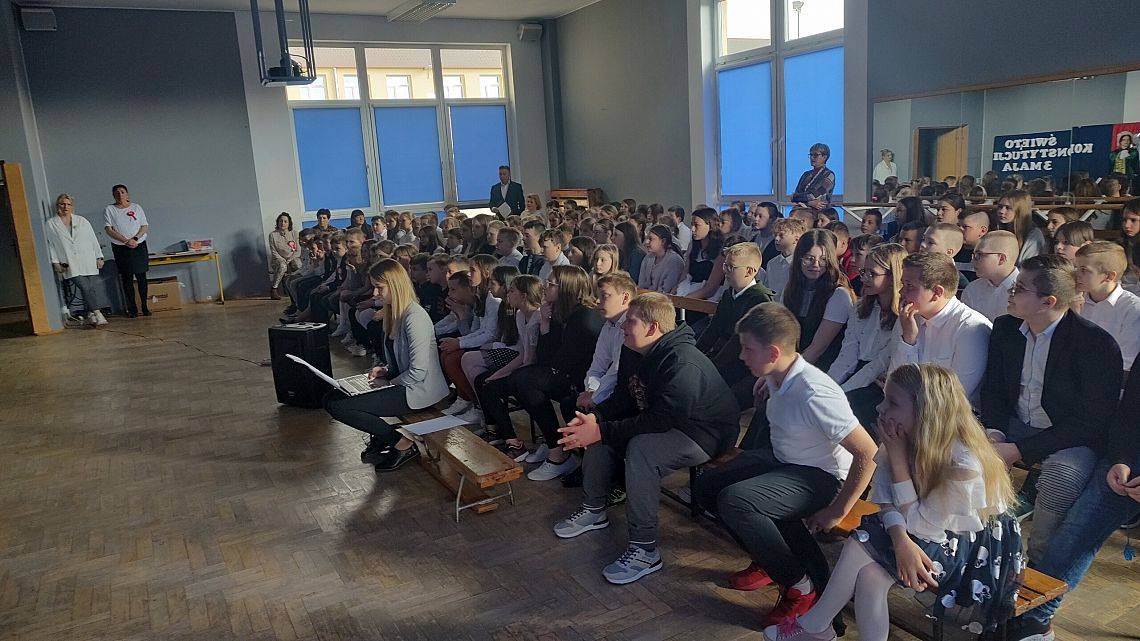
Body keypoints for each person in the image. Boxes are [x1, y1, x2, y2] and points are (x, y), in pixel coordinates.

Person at [765, 363, 1021, 641]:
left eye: (892, 402)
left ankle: (816, 626)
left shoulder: (962, 463)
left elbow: (923, 526)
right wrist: (900, 540)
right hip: (919, 525)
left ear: (925, 411)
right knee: (871, 575)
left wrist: (898, 459)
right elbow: (885, 500)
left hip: (970, 544)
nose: (880, 407)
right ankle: (817, 627)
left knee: (862, 541)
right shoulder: (899, 435)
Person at [694, 302, 877, 628]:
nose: (741, 356)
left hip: (822, 477)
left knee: (737, 500)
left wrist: (837, 511)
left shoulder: (815, 392)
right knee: (707, 486)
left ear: (774, 352)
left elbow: (868, 453)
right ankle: (769, 560)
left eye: (748, 349)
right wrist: (766, 380)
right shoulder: (776, 374)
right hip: (787, 462)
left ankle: (799, 585)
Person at [553, 293, 739, 584]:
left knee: (642, 450)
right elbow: (625, 397)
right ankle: (594, 509)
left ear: (652, 328)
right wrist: (597, 419)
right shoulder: (633, 347)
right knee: (602, 428)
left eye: (631, 321)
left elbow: (662, 420)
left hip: (705, 432)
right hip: (669, 418)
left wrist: (601, 430)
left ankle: (645, 549)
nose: (623, 326)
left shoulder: (682, 362)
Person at [980, 255, 1122, 558]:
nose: (1010, 293)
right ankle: (979, 544)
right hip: (1015, 424)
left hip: (1067, 436)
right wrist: (994, 434)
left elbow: (1090, 423)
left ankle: (1039, 558)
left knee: (1062, 476)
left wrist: (1018, 449)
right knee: (960, 452)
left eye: (1020, 288)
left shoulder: (1095, 344)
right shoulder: (1005, 328)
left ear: (1048, 302)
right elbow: (993, 390)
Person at [1000, 369, 1140, 641]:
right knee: (1079, 525)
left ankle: (1029, 617)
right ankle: (1033, 620)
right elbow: (1129, 415)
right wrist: (1121, 459)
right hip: (1130, 465)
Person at [324, 259, 449, 471]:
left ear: (395, 285)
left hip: (417, 391)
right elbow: (398, 359)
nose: (375, 293)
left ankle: (401, 443)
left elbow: (418, 372)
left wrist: (389, 383)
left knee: (340, 406)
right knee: (331, 397)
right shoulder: (394, 312)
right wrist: (385, 370)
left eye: (379, 287)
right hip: (404, 384)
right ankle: (385, 437)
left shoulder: (415, 317)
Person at [488, 266, 603, 481]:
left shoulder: (583, 317)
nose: (545, 288)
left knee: (526, 380)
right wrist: (545, 324)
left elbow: (560, 362)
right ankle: (553, 446)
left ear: (566, 288)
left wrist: (546, 326)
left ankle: (557, 453)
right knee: (520, 380)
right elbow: (547, 358)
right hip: (567, 376)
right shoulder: (559, 312)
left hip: (584, 383)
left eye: (551, 284)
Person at [891, 252, 991, 400]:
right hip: (906, 407)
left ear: (937, 292)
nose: (901, 292)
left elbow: (955, 397)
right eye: (902, 285)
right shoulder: (909, 318)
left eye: (909, 286)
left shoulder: (971, 330)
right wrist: (909, 340)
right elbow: (894, 382)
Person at [828, 243, 907, 429]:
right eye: (864, 272)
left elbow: (880, 363)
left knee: (848, 409)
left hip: (879, 383)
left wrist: (842, 394)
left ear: (893, 277)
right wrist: (828, 387)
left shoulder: (903, 316)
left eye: (873, 274)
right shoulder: (861, 307)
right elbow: (847, 354)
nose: (864, 278)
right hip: (855, 370)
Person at [696, 242, 776, 399]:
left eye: (731, 267)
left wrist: (711, 366)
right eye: (725, 265)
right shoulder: (728, 294)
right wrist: (696, 354)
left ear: (749, 271)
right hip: (721, 356)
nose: (725, 271)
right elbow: (714, 329)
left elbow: (737, 343)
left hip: (743, 363)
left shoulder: (760, 300)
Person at [783, 229, 856, 371]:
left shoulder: (839, 295)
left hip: (822, 369)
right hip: (795, 361)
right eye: (809, 258)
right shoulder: (792, 289)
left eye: (823, 259)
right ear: (799, 258)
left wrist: (784, 373)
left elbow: (817, 349)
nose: (816, 264)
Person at [1074, 241, 1140, 372]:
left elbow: (1127, 361)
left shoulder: (1132, 309)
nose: (1076, 275)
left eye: (1084, 270)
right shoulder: (1076, 301)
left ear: (1109, 276)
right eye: (1075, 268)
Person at [47, 193, 108, 326]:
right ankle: (98, 313)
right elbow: (51, 245)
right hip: (69, 262)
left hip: (87, 258)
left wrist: (99, 257)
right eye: (62, 204)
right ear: (58, 206)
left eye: (68, 204)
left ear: (72, 206)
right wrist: (56, 262)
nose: (65, 207)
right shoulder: (51, 224)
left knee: (90, 288)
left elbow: (93, 239)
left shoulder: (82, 221)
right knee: (85, 287)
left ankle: (90, 314)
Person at [103, 184, 151, 317]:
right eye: (117, 193)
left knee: (141, 277)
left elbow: (144, 226)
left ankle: (145, 307)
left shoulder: (137, 207)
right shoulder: (109, 209)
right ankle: (132, 308)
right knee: (127, 278)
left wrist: (135, 238)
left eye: (122, 192)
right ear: (113, 195)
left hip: (138, 245)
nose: (120, 194)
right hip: (121, 248)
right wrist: (125, 241)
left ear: (127, 194)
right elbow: (109, 229)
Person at [961, 231, 1020, 322]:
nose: (973, 260)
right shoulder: (972, 289)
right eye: (974, 255)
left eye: (979, 255)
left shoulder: (1026, 292)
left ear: (1001, 259)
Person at [678, 207, 727, 299]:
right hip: (688, 290)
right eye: (692, 225)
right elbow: (684, 275)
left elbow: (710, 289)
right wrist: (673, 294)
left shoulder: (721, 251)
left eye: (697, 225)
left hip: (709, 297)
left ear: (710, 226)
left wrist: (686, 300)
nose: (692, 229)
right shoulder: (692, 245)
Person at [995, 190, 1047, 265]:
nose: (1001, 211)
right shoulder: (997, 229)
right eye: (1000, 207)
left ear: (1020, 210)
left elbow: (1028, 267)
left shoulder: (1034, 236)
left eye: (1008, 208)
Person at [763, 217, 809, 300]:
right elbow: (767, 289)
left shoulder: (804, 264)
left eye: (781, 235)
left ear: (796, 239)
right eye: (775, 235)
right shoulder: (771, 263)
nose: (776, 239)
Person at [919, 223, 969, 294]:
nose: (922, 245)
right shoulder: (913, 269)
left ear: (949, 252)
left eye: (930, 242)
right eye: (923, 239)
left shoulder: (959, 284)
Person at [637, 225, 686, 293]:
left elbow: (666, 290)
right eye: (647, 238)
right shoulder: (648, 258)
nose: (646, 242)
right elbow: (641, 284)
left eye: (651, 239)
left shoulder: (674, 261)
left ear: (663, 241)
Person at [792, 143, 837, 209]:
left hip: (821, 212)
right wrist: (809, 203)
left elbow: (814, 195)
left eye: (815, 155)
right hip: (801, 210)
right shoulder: (806, 175)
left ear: (824, 157)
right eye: (811, 155)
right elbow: (794, 197)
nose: (812, 157)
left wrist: (799, 199)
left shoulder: (829, 175)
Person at [268, 212, 301, 300]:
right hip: (278, 259)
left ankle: (295, 286)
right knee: (282, 266)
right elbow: (273, 251)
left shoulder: (294, 233)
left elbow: (298, 250)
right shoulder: (272, 235)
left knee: (298, 264)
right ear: (278, 222)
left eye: (285, 221)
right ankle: (274, 289)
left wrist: (290, 259)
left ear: (289, 223)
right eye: (281, 221)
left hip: (292, 258)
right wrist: (282, 260)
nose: (283, 223)